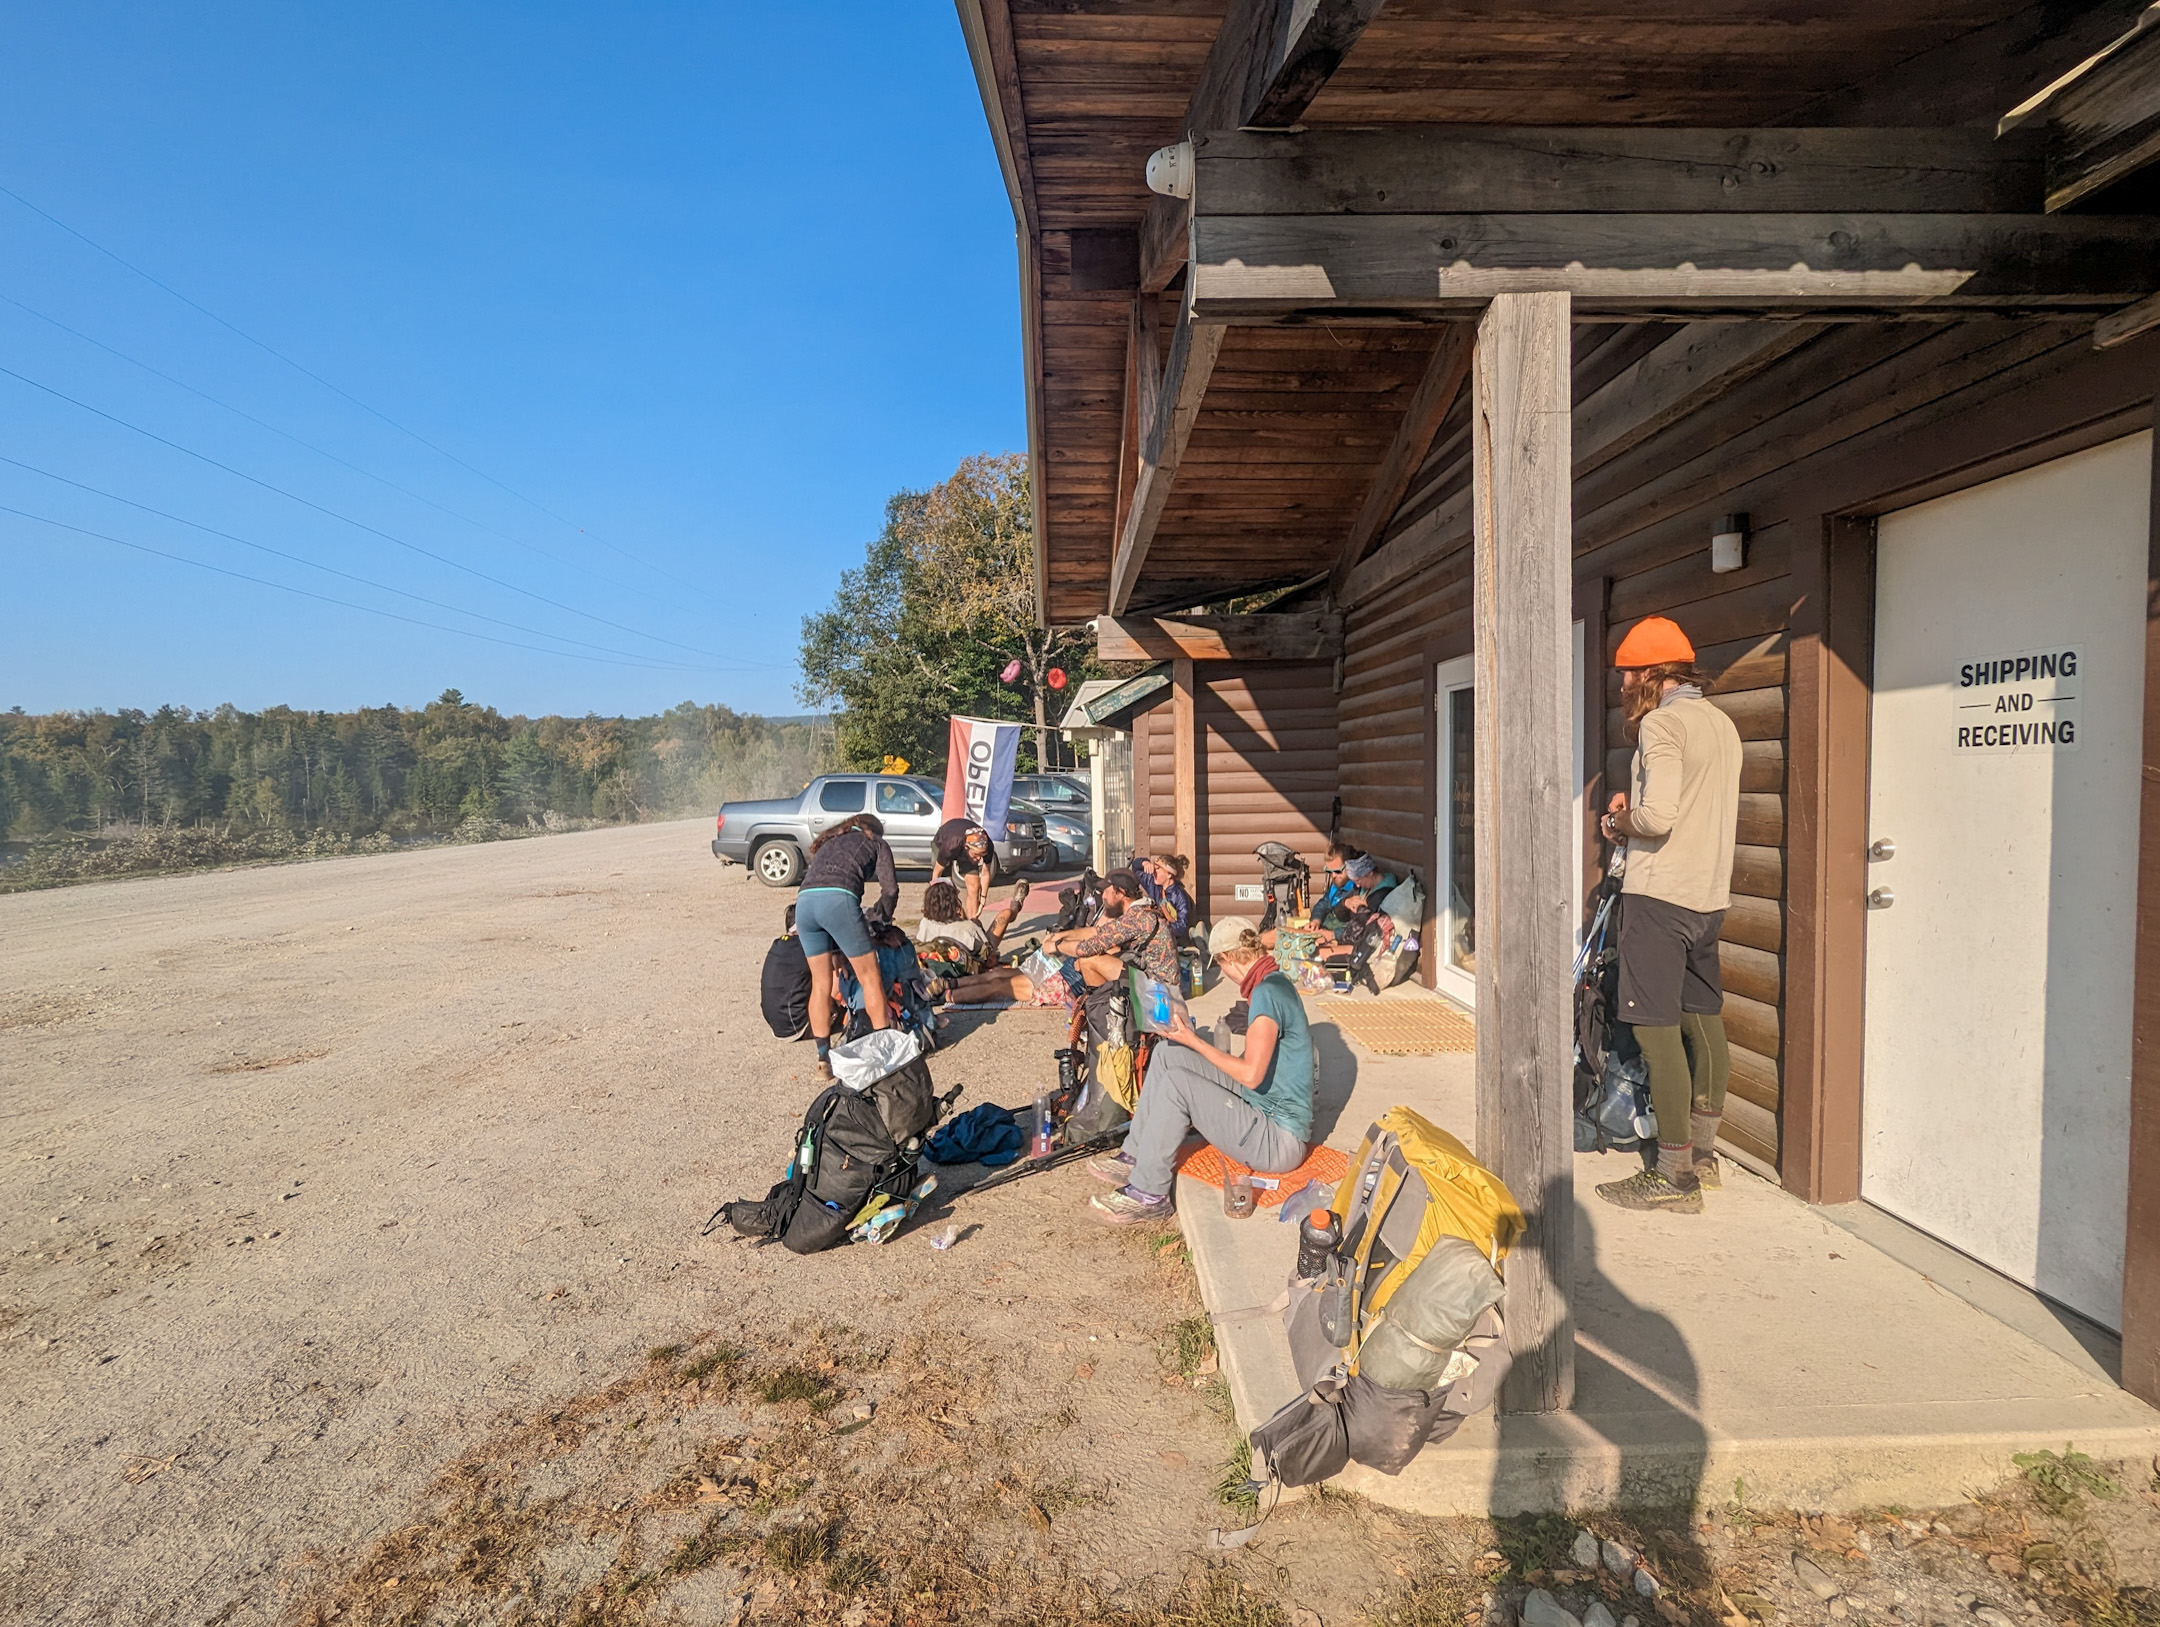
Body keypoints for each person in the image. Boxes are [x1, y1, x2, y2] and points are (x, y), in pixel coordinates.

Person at [1592, 615, 1742, 1215]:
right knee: (1703, 1021)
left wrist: (1617, 821)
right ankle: (1703, 1158)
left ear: (1652, 674)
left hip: (1660, 898)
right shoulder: (1721, 723)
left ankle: (1673, 1176)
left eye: (1628, 673)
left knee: (1656, 1032)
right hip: (1709, 898)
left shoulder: (1661, 723)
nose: (1622, 683)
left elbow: (1658, 817)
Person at [1085, 916, 1314, 1224]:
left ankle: (1150, 1194)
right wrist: (1188, 1043)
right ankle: (1136, 1155)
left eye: (1220, 964)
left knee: (1179, 1083)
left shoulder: (1267, 994)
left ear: (1229, 958)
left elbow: (1251, 1074)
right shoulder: (1274, 983)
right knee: (1168, 1053)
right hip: (1262, 1107)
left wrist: (1194, 1041)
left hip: (1277, 1140)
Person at [795, 812, 900, 1078]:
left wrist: (836, 951)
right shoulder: (876, 842)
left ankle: (823, 1060)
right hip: (839, 899)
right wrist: (883, 919)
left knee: (820, 984)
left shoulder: (831, 840)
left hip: (804, 903)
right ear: (875, 830)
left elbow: (822, 885)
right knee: (870, 978)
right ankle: (884, 1053)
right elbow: (890, 890)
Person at [1039, 869, 1178, 993]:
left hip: (1159, 989)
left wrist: (1056, 946)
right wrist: (1059, 935)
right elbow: (1098, 932)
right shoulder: (1141, 909)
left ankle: (1103, 1009)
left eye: (1106, 891)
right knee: (1102, 954)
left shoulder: (1137, 918)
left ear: (1121, 893)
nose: (1103, 896)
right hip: (1154, 978)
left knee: (1088, 960)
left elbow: (1086, 948)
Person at [913, 876, 1033, 1002]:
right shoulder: (968, 928)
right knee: (1005, 915)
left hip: (937, 968)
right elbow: (987, 956)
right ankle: (1015, 905)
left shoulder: (925, 924)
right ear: (954, 902)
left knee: (975, 922)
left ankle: (1015, 904)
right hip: (967, 970)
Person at [1260, 839, 1361, 950]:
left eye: (1337, 871)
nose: (1333, 876)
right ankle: (1252, 946)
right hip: (1322, 932)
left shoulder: (1357, 890)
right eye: (1329, 871)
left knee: (1283, 939)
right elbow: (1322, 905)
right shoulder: (1337, 885)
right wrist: (1315, 921)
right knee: (1277, 934)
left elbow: (1360, 927)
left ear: (1350, 866)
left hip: (1336, 940)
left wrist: (1333, 934)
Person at [933, 818, 999, 919]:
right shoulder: (950, 845)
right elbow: (936, 873)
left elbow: (985, 873)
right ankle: (945, 919)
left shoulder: (988, 845)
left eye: (981, 855)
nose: (978, 858)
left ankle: (972, 923)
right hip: (943, 839)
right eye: (976, 855)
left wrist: (983, 899)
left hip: (964, 848)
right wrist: (934, 895)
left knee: (974, 887)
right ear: (967, 847)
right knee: (946, 888)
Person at [1137, 853, 1195, 944]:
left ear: (1169, 874)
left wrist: (1160, 926)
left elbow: (1181, 928)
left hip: (1175, 943)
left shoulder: (1180, 896)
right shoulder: (1153, 884)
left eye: (1157, 869)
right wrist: (1145, 863)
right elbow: (1136, 869)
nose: (1154, 872)